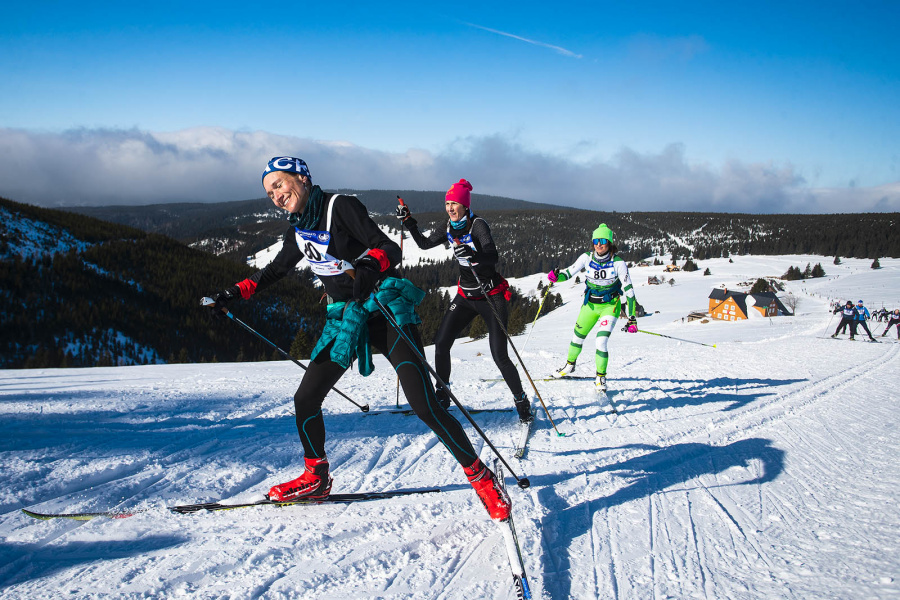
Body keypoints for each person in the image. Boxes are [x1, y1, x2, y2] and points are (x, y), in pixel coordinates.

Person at [206, 157, 510, 520]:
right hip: (345, 319)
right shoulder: (298, 228)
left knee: (424, 404)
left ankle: (482, 479)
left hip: (383, 310)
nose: (275, 195)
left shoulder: (340, 207)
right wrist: (232, 294)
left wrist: (367, 266)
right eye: (269, 191)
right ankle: (316, 477)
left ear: (302, 179)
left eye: (280, 184)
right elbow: (275, 270)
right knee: (305, 398)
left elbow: (388, 247)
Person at [396, 179, 532, 424]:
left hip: (491, 296)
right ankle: (443, 394)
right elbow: (425, 244)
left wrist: (474, 255)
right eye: (447, 203)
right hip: (466, 295)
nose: (450, 208)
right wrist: (409, 222)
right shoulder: (449, 225)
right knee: (441, 344)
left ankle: (521, 400)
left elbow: (492, 256)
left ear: (465, 205)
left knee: (499, 355)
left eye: (454, 203)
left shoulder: (478, 225)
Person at [546, 223, 638, 397]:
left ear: (610, 242)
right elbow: (568, 273)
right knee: (576, 338)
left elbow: (630, 292)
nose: (599, 244)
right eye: (596, 240)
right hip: (590, 305)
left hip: (610, 306)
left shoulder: (618, 263)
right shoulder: (586, 257)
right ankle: (569, 366)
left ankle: (601, 377)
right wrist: (555, 277)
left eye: (603, 240)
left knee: (600, 341)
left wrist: (632, 318)